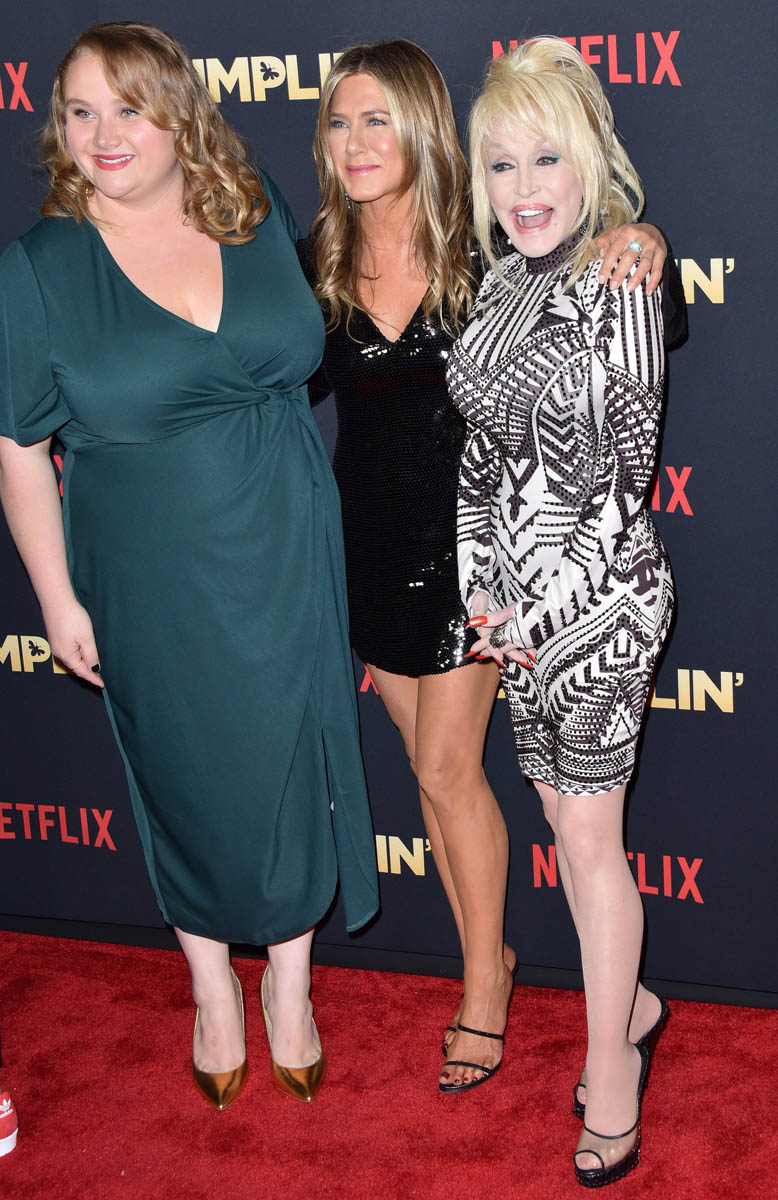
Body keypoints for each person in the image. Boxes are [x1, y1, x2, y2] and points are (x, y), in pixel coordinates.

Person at [0, 22, 378, 1110]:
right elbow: (19, 447)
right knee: (183, 770)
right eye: (81, 111)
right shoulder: (39, 268)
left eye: (129, 107)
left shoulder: (250, 204)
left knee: (291, 756)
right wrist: (56, 597)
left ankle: (291, 985)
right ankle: (213, 985)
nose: (103, 134)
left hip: (284, 534)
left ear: (179, 113)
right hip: (145, 563)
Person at [299, 38, 682, 1094]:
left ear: (423, 127)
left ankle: (518, 1007)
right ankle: (554, 984)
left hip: (544, 581)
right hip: (423, 561)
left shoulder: (501, 244)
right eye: (338, 121)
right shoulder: (329, 260)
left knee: (467, 780)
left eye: (378, 118)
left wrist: (644, 237)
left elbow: (622, 422)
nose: (356, 141)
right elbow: (265, 380)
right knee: (465, 784)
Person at [449, 37, 674, 1184]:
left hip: (599, 608)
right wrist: (482, 591)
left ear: (589, 162)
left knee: (589, 844)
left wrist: (547, 614)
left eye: (545, 158)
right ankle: (629, 1001)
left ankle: (613, 1068)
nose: (523, 187)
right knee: (559, 822)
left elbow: (620, 478)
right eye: (500, 164)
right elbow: (480, 462)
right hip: (518, 611)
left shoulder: (618, 276)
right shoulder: (499, 283)